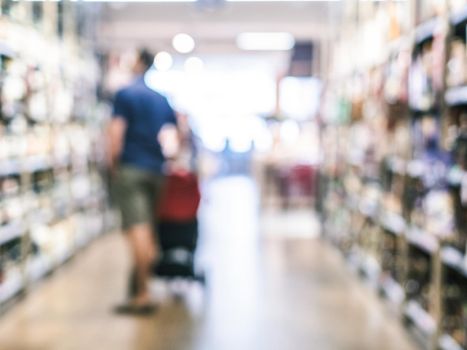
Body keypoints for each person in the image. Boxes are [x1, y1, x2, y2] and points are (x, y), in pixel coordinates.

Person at [107, 48, 177, 315]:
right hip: (156, 170)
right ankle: (139, 288)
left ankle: (143, 294)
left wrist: (113, 165)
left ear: (138, 63)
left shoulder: (125, 95)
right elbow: (173, 134)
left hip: (132, 167)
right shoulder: (161, 99)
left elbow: (116, 132)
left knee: (137, 229)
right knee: (147, 227)